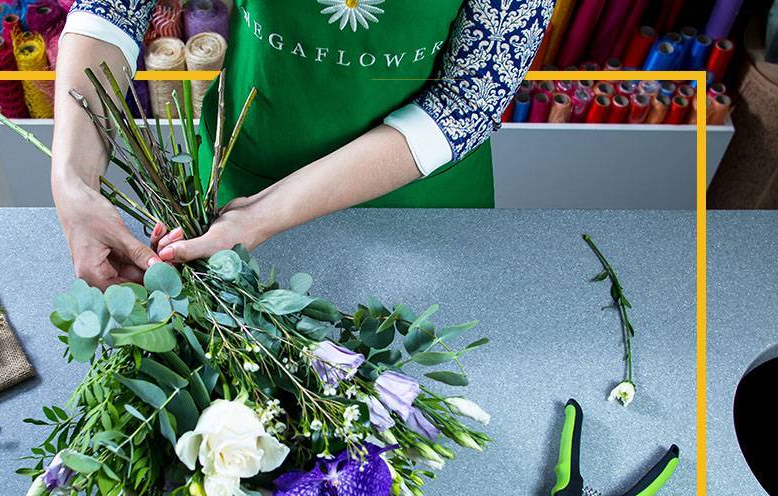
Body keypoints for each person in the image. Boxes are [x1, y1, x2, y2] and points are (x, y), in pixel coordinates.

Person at [52, 0, 554, 288]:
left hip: (417, 206)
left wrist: (263, 216)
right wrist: (72, 181)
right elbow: (113, 8)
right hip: (243, 173)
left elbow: (467, 100)